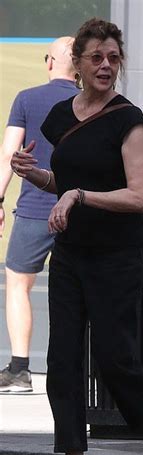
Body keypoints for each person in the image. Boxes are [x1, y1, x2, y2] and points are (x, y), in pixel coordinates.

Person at [10, 18, 143, 455]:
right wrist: (35, 176)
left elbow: (137, 197)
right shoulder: (59, 116)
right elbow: (61, 180)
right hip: (70, 254)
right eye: (97, 57)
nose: (107, 66)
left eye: (114, 58)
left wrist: (78, 196)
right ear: (77, 64)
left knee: (115, 359)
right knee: (63, 359)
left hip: (116, 255)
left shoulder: (128, 119)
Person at [0, 37, 79, 393]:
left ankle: (19, 370)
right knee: (80, 288)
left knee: (18, 282)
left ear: (49, 62)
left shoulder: (27, 99)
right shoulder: (88, 102)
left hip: (33, 209)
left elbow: (8, 154)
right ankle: (85, 367)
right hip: (78, 209)